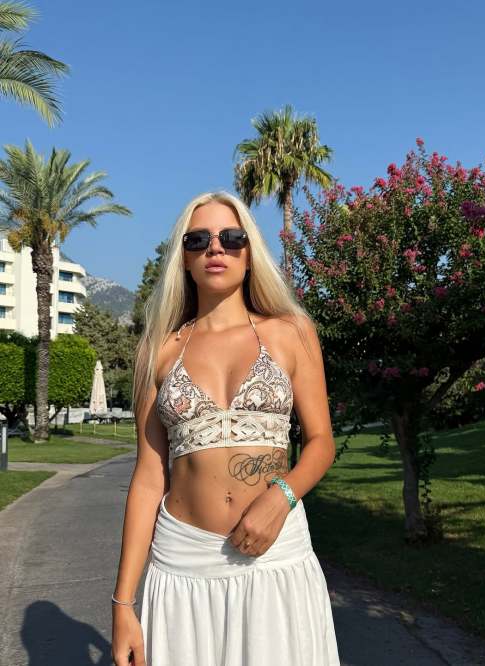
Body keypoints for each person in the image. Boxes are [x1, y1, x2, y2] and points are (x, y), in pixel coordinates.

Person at [111, 191, 341, 666]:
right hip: (182, 564)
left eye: (231, 238)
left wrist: (281, 497)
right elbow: (149, 477)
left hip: (275, 556)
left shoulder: (291, 332)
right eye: (198, 240)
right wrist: (123, 604)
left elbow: (321, 443)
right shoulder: (158, 350)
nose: (215, 247)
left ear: (250, 253)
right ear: (184, 259)